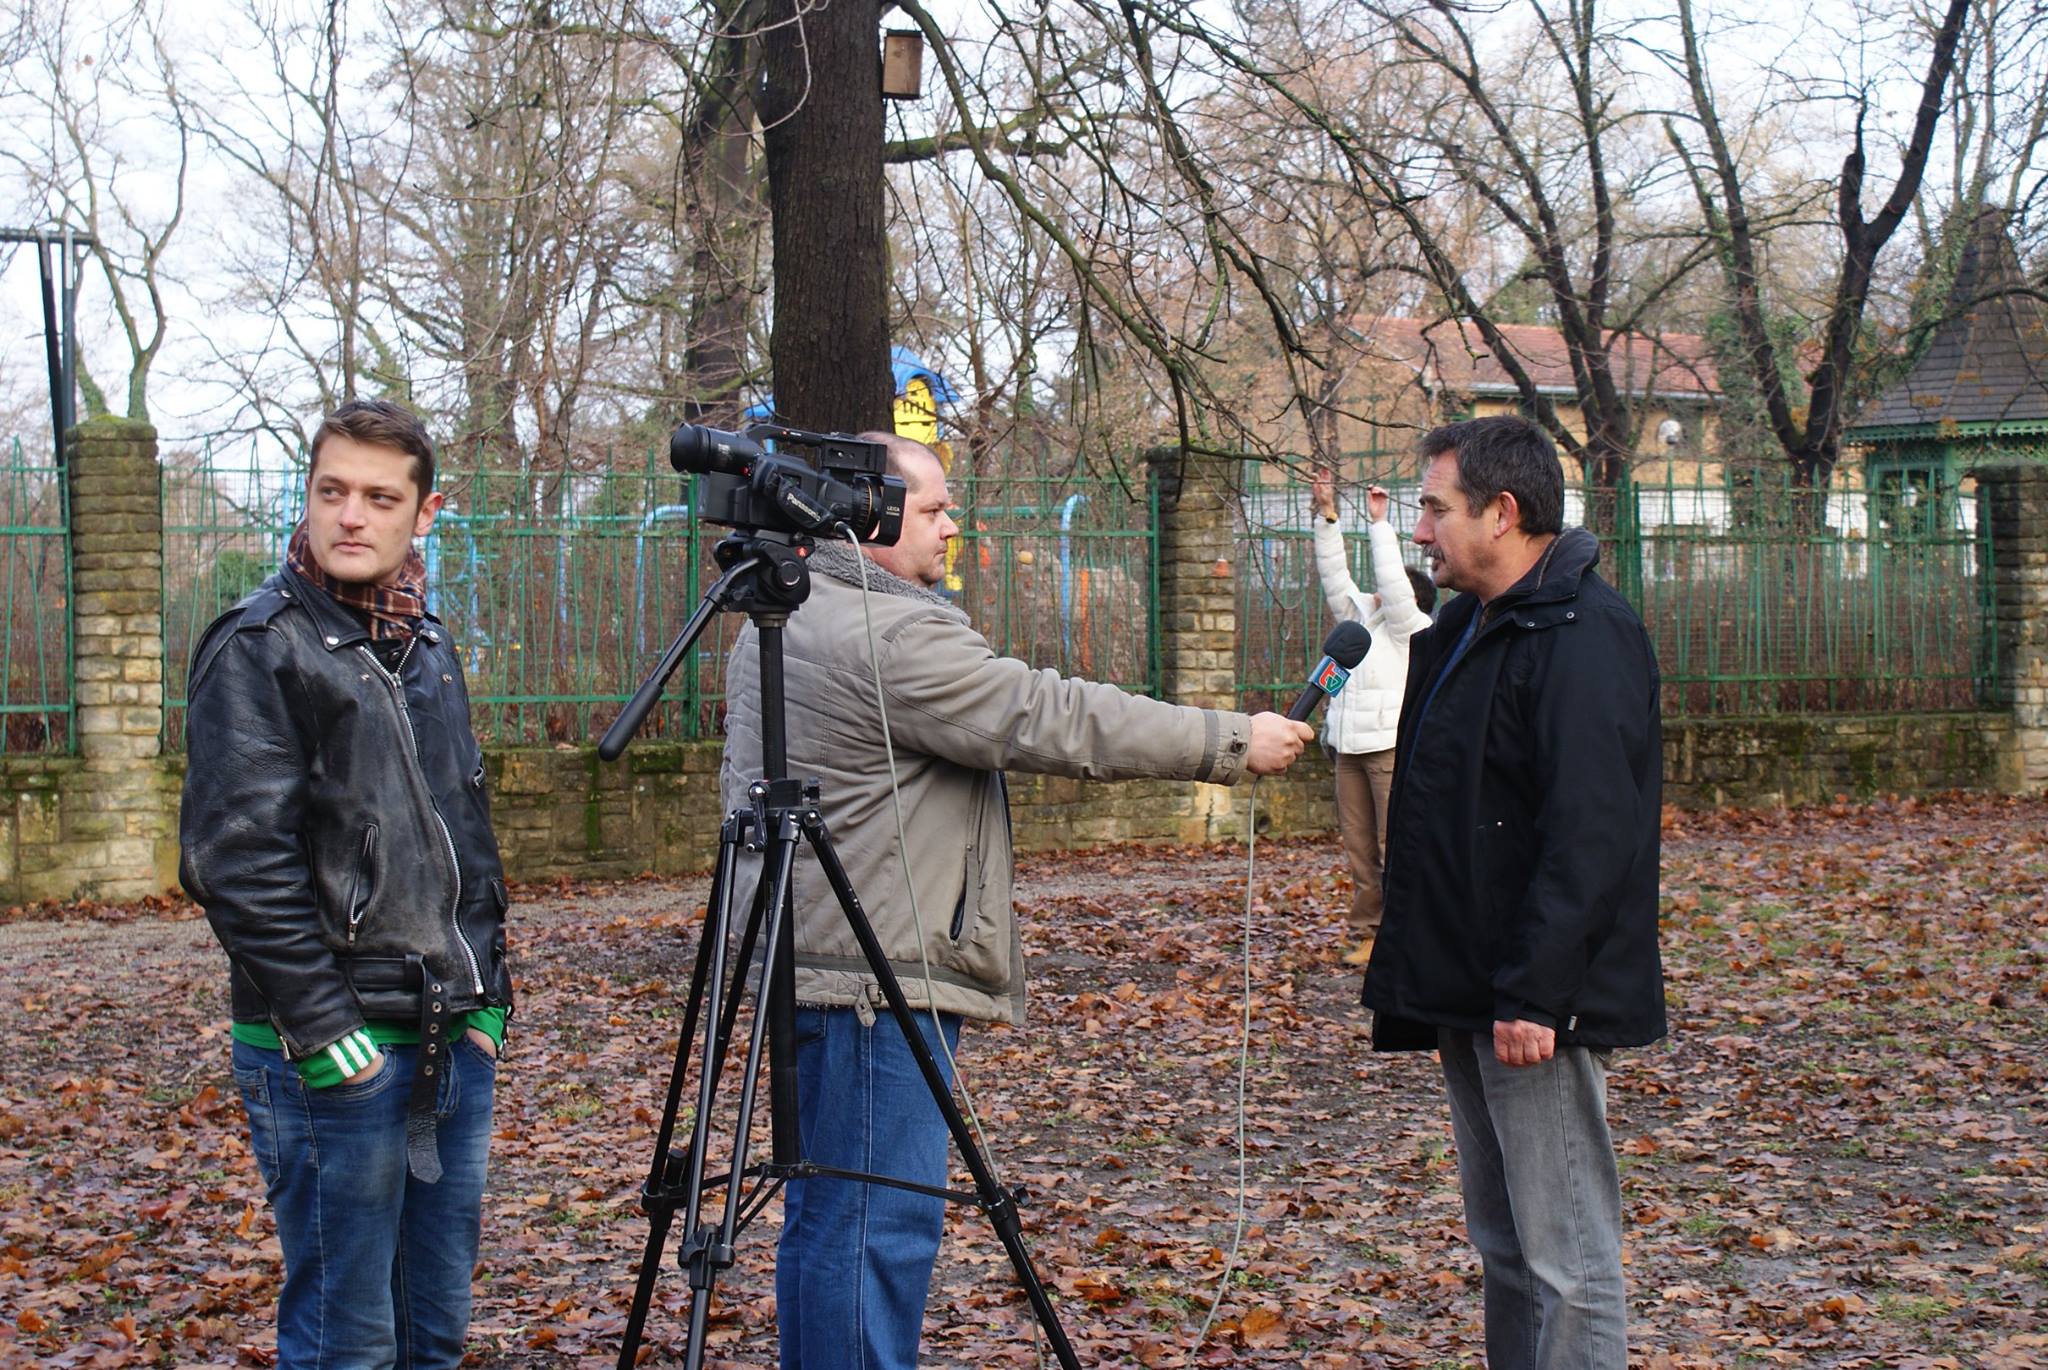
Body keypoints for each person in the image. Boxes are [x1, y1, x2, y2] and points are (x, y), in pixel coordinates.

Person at [719, 432, 1314, 1370]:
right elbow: (1049, 714)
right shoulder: (887, 636)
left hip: (818, 963)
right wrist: (1228, 740)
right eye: (933, 509)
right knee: (876, 1226)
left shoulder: (794, 616)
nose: (952, 526)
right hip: (876, 983)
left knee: (832, 1214)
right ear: (867, 516)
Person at [180, 398, 514, 1370]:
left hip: (448, 1038)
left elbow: (465, 833)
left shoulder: (427, 645)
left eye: (379, 496)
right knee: (348, 1342)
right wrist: (323, 1027)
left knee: (432, 1332)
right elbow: (235, 863)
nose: (351, 516)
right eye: (332, 492)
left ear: (426, 511)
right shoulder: (261, 644)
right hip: (327, 1054)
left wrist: (490, 998)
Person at [1362, 415, 1664, 1370]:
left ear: (1502, 512)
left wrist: (1535, 990)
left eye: (1435, 509)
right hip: (1469, 988)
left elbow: (1591, 835)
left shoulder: (1587, 635)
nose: (1420, 531)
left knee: (1568, 1260)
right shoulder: (1465, 628)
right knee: (1505, 1247)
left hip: (1535, 1006)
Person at [1308, 468, 1436, 966]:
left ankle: (1407, 933)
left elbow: (1394, 586)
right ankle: (1368, 932)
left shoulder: (1411, 629)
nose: (1379, 590)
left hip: (1387, 751)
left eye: (1392, 587)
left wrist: (1380, 524)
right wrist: (1328, 514)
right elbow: (1333, 574)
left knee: (1394, 845)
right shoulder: (1357, 622)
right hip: (1347, 751)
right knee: (1360, 850)